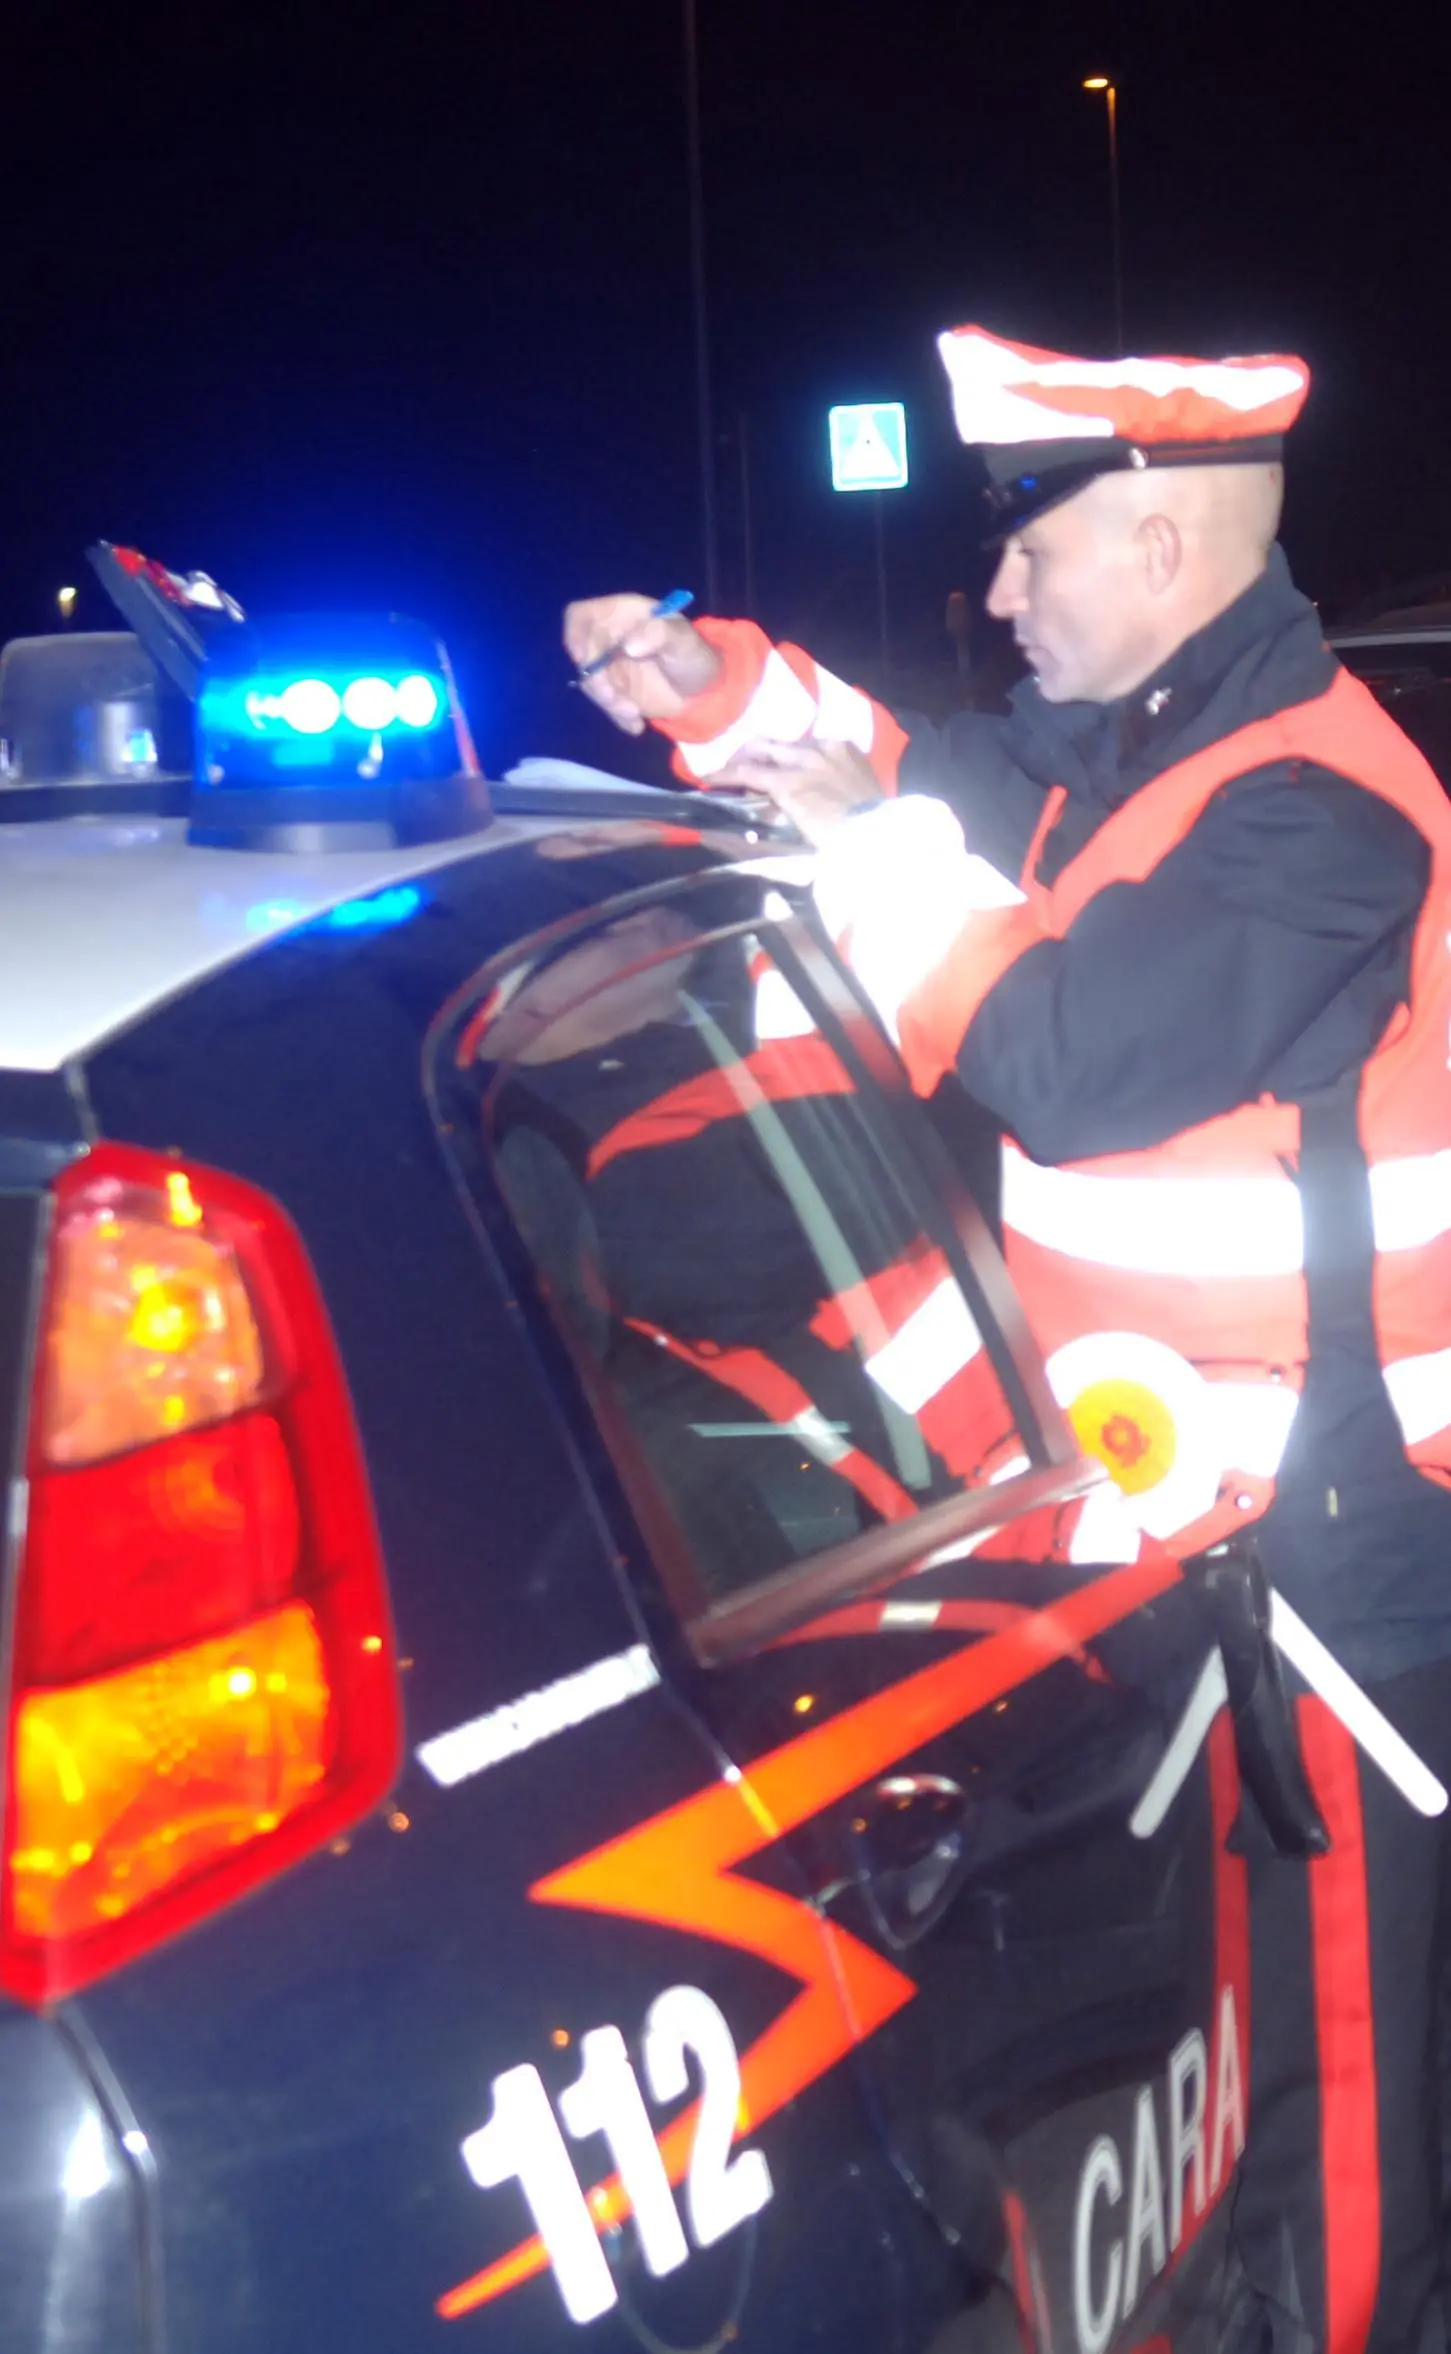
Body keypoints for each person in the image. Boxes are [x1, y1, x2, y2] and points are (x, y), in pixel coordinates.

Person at [564, 325, 1451, 2354]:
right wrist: (718, 689)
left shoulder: (1315, 805)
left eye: (1021, 555)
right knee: (1237, 2032)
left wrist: (876, 863)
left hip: (1328, 1557)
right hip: (1178, 1538)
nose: (988, 594)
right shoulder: (1133, 747)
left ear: (1152, 542)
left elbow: (1063, 1053)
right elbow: (910, 775)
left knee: (1340, 2075)